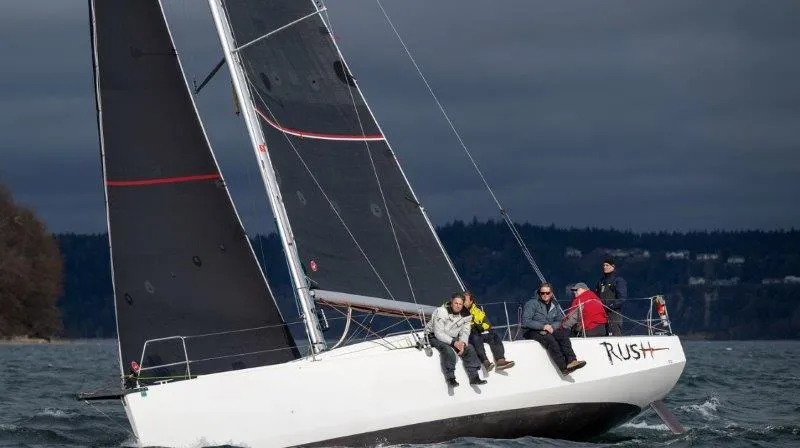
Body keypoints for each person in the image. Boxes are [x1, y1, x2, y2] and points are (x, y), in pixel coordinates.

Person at [521, 283, 586, 374]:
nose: (544, 295)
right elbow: (526, 321)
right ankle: (564, 368)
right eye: (542, 293)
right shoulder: (532, 303)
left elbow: (559, 320)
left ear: (551, 293)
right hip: (532, 330)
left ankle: (572, 361)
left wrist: (552, 326)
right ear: (539, 293)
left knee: (563, 336)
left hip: (549, 328)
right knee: (550, 340)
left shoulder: (554, 304)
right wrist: (543, 326)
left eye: (547, 293)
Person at [425, 293, 486, 387]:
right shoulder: (441, 311)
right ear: (451, 302)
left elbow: (465, 332)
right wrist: (454, 343)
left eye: (460, 304)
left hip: (452, 336)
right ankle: (450, 379)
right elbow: (439, 333)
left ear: (463, 304)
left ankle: (474, 377)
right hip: (433, 335)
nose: (458, 306)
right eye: (455, 303)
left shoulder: (467, 315)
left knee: (469, 348)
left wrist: (462, 343)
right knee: (448, 350)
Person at [463, 291, 515, 371]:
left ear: (471, 301)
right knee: (475, 337)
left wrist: (481, 327)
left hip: (480, 332)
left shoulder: (477, 311)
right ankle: (486, 362)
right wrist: (474, 326)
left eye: (465, 300)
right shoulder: (459, 310)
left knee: (493, 335)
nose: (462, 302)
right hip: (469, 334)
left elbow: (487, 324)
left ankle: (500, 361)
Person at [595, 258, 628, 336]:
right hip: (601, 314)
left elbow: (622, 299)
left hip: (614, 313)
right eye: (603, 265)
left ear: (613, 267)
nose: (604, 267)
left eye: (607, 265)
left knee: (615, 335)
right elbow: (596, 297)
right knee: (602, 335)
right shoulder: (600, 282)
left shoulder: (618, 281)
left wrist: (609, 305)